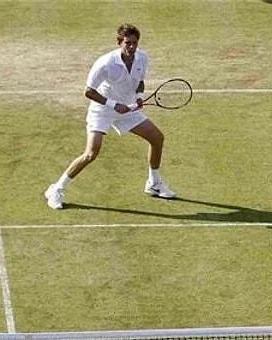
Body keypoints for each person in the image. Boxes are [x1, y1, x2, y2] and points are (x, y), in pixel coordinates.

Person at [44, 23, 176, 210]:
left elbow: (139, 82)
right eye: (127, 43)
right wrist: (114, 105)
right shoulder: (105, 63)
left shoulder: (142, 58)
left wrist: (138, 98)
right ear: (119, 42)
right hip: (102, 109)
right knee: (91, 153)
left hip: (127, 109)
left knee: (157, 138)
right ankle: (56, 189)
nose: (132, 47)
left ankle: (154, 183)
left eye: (134, 43)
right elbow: (88, 92)